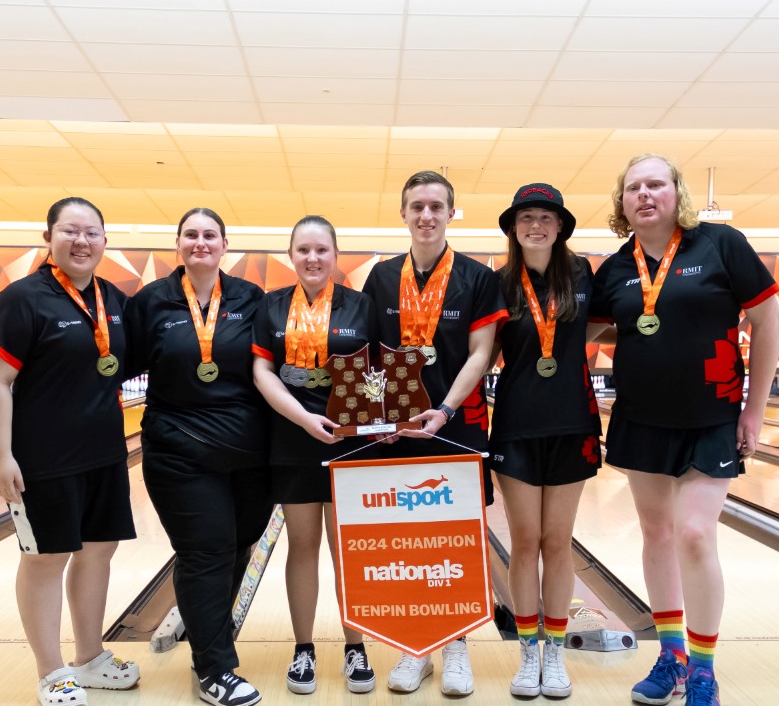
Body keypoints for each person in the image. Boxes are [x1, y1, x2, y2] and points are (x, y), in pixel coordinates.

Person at [589, 155, 779, 706]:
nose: (644, 194)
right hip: (641, 417)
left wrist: (755, 410)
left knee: (694, 533)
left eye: (656, 184)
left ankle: (702, 666)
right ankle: (670, 655)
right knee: (657, 535)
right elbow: (596, 326)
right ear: (622, 202)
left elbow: (768, 321)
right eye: (632, 188)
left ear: (678, 193)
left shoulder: (720, 244)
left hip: (712, 414)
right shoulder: (617, 268)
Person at [0, 197, 139, 706]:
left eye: (92, 232)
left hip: (105, 453)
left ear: (104, 241)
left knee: (98, 551)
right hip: (42, 459)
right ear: (49, 237)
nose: (82, 241)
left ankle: (89, 657)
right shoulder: (22, 299)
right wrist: (0, 455)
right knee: (46, 559)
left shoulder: (112, 299)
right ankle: (51, 671)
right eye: (70, 231)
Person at [361, 170, 507, 696]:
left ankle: (457, 646)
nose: (426, 215)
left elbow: (481, 354)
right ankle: (413, 647)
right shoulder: (380, 278)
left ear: (451, 213)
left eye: (436, 206)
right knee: (408, 539)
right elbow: (373, 358)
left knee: (458, 539)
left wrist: (443, 409)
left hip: (458, 425)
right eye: (417, 206)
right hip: (399, 430)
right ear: (403, 213)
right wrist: (379, 418)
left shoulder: (477, 277)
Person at [124, 207, 273, 706]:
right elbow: (113, 367)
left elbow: (275, 364)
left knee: (238, 547)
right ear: (179, 244)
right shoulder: (153, 302)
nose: (200, 243)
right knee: (206, 551)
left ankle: (211, 644)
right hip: (179, 452)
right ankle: (215, 668)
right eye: (191, 235)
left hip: (250, 457)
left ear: (224, 245)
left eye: (210, 235)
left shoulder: (250, 299)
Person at [250, 215, 376, 696]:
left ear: (335, 254)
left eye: (321, 249)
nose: (313, 258)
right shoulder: (272, 305)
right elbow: (263, 370)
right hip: (292, 439)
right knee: (302, 546)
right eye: (303, 249)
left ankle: (355, 647)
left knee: (348, 551)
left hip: (350, 441)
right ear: (291, 255)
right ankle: (304, 649)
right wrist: (303, 419)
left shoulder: (361, 305)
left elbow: (375, 371)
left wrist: (369, 422)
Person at [488, 184, 601, 700]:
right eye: (526, 217)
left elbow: (607, 327)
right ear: (514, 227)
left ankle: (555, 653)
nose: (536, 225)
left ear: (560, 227)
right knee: (525, 540)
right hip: (515, 424)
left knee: (558, 542)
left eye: (546, 218)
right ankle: (528, 651)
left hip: (573, 422)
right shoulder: (498, 284)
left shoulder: (582, 274)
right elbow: (477, 352)